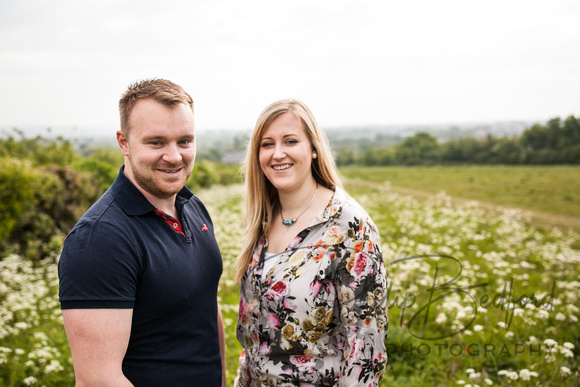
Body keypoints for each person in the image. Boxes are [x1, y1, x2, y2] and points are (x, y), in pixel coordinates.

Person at [58, 79, 226, 386]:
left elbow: (204, 308)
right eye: (156, 142)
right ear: (124, 142)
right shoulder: (101, 238)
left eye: (185, 141)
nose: (174, 156)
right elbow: (98, 379)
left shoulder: (192, 207)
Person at [234, 98, 388, 386]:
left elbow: (366, 351)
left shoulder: (349, 226)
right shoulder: (262, 219)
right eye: (267, 144)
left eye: (290, 141)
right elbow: (255, 338)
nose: (277, 153)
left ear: (314, 149)